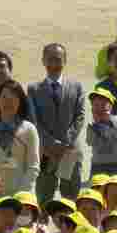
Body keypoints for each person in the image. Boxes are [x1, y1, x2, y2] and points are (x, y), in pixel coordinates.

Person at [28, 43, 85, 204]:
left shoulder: (76, 87)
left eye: (58, 59)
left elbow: (80, 116)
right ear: (43, 61)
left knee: (71, 198)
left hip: (70, 150)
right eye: (50, 59)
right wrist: (51, 143)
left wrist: (65, 142)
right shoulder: (33, 89)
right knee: (44, 197)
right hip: (46, 151)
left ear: (65, 61)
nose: (54, 64)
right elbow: (34, 120)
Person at [0, 79, 40, 197]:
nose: (8, 102)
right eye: (4, 97)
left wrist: (20, 195)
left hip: (21, 199)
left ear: (20, 102)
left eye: (13, 98)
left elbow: (33, 167)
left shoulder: (29, 129)